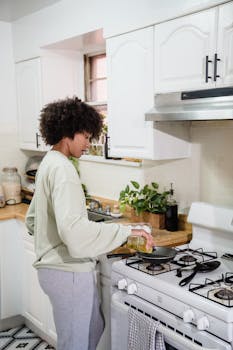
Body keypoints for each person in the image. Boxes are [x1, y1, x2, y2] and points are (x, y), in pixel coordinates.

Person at [25, 96, 154, 350]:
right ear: (67, 133)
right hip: (67, 273)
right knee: (75, 344)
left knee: (94, 327)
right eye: (85, 135)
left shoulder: (49, 162)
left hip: (54, 272)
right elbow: (75, 234)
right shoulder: (63, 170)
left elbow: (32, 221)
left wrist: (52, 233)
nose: (88, 143)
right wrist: (126, 231)